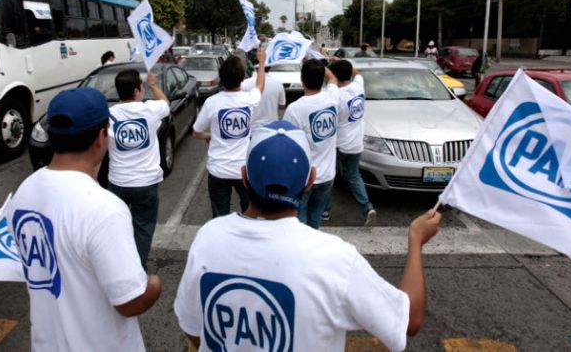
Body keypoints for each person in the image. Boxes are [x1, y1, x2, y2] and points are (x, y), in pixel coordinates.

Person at [173, 121, 443, 351]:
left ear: (244, 177)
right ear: (310, 180)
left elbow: (195, 331)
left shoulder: (209, 237)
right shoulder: (334, 258)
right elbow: (408, 320)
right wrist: (416, 240)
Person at [7, 87, 162, 351]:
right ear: (102, 137)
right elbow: (131, 301)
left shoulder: (24, 191)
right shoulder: (103, 209)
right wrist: (155, 284)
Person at [107, 69, 170, 270]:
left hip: (118, 181)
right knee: (143, 228)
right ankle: (137, 268)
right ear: (137, 91)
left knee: (118, 228)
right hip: (146, 183)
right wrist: (153, 84)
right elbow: (166, 103)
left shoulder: (108, 114)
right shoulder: (149, 110)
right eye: (141, 87)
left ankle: (119, 265)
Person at [193, 47, 267, 217]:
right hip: (243, 169)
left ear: (221, 78)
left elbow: (196, 132)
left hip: (218, 169)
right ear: (242, 78)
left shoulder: (211, 103)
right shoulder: (249, 100)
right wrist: (261, 63)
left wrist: (209, 135)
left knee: (220, 216)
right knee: (250, 213)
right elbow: (260, 86)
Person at [282, 59, 339, 229]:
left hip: (304, 177)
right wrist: (323, 66)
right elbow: (333, 80)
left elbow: (287, 144)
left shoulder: (295, 109)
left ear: (302, 79)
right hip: (328, 175)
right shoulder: (332, 98)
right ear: (322, 78)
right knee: (315, 220)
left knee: (299, 220)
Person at [327, 59, 376, 225]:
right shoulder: (358, 86)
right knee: (354, 176)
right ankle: (367, 207)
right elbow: (357, 73)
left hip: (339, 145)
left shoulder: (337, 96)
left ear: (334, 75)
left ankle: (325, 210)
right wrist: (339, 63)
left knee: (330, 178)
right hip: (356, 144)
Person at [241, 63, 286, 133]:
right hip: (272, 129)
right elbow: (282, 106)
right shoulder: (278, 83)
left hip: (252, 129)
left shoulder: (245, 83)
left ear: (255, 68)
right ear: (270, 67)